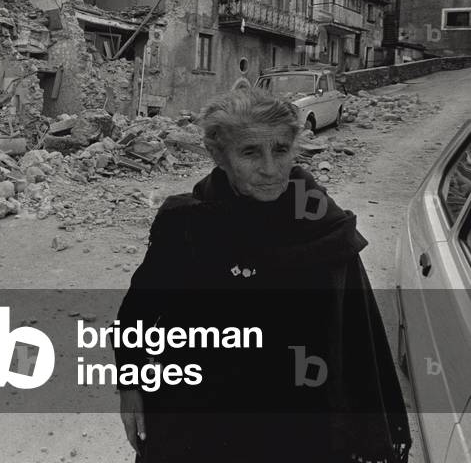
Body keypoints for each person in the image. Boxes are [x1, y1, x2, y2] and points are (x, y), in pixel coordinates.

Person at [114, 86, 411, 463]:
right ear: (218, 155)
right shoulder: (187, 225)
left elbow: (354, 333)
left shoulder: (324, 225)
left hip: (300, 422)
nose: (271, 169)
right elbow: (136, 316)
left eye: (281, 150)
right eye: (250, 152)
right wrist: (130, 385)